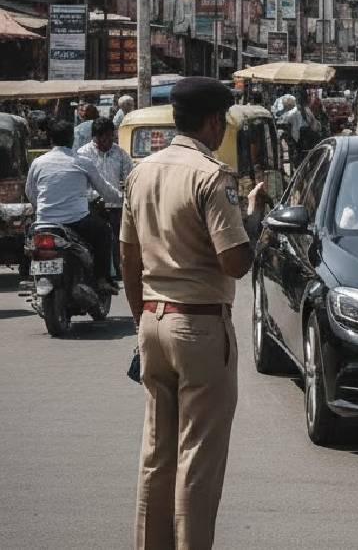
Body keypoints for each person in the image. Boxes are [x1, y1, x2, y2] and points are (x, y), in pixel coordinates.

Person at [121, 77, 265, 550]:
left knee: (156, 455)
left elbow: (128, 256)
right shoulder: (212, 175)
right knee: (198, 458)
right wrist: (252, 218)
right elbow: (235, 262)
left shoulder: (141, 171)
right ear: (210, 121)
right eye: (222, 120)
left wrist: (142, 318)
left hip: (153, 320)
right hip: (199, 324)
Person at [25, 119, 123, 294]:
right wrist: (123, 198)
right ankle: (102, 279)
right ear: (71, 140)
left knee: (31, 242)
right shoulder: (81, 161)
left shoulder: (38, 162)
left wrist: (42, 210)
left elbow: (31, 193)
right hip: (76, 221)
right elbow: (106, 191)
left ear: (50, 140)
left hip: (44, 222)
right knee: (104, 232)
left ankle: (32, 277)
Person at [78, 117, 133, 280]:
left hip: (115, 205)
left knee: (119, 239)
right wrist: (94, 197)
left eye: (111, 136)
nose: (108, 141)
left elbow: (130, 177)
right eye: (105, 137)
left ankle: (119, 271)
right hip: (91, 206)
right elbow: (80, 184)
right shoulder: (83, 155)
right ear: (95, 137)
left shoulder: (120, 154)